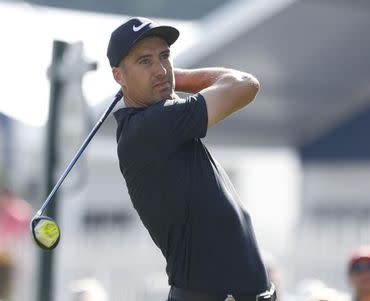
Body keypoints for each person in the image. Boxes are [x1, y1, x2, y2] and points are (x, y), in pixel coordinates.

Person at [107, 17, 276, 301]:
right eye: (144, 61)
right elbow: (245, 85)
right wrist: (177, 77)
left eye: (165, 57)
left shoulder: (158, 121)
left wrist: (162, 77)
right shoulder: (153, 125)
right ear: (119, 76)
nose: (160, 69)